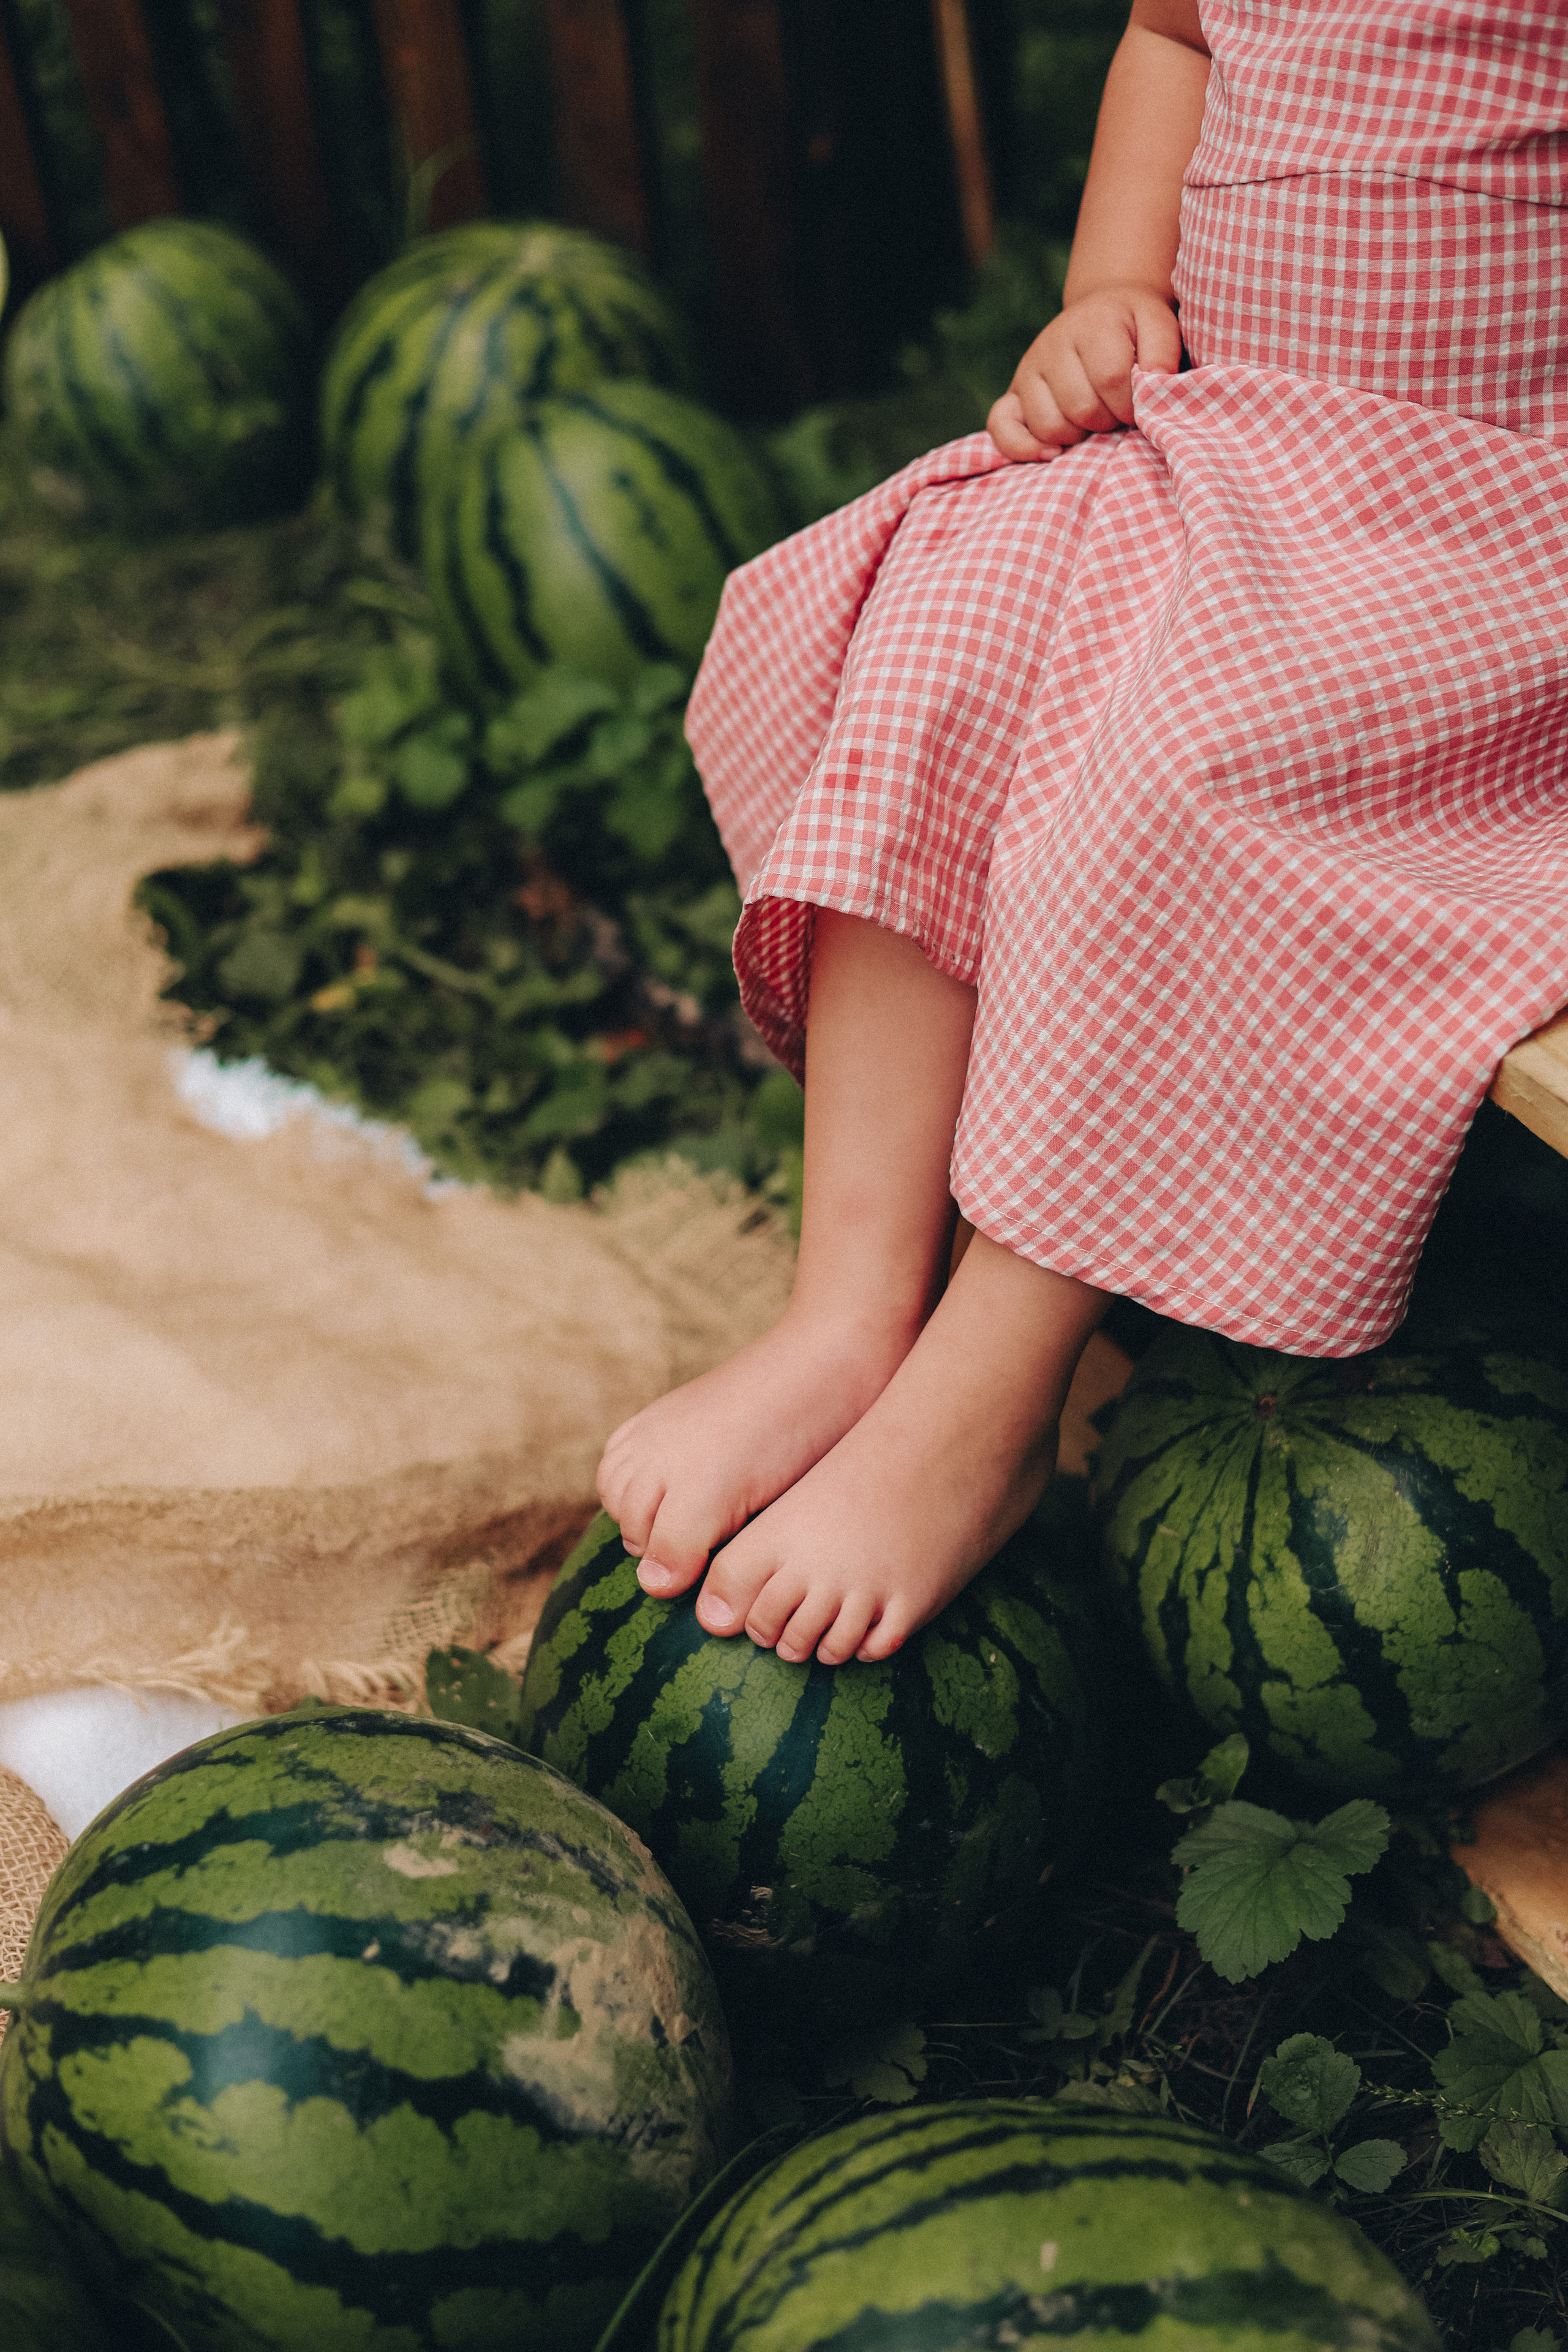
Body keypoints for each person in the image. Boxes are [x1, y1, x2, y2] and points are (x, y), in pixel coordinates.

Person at [598, 0, 1568, 1667]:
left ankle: (990, 1390)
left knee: (1193, 767)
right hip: (1232, 443)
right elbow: (1171, 39)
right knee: (950, 611)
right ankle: (851, 1306)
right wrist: (1111, 286)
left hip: (1482, 527)